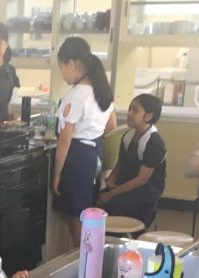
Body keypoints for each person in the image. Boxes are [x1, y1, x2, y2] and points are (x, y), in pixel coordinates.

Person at [52, 37, 116, 247]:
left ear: (72, 63)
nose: (62, 74)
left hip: (77, 158)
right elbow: (111, 126)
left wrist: (57, 174)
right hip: (95, 155)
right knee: (87, 213)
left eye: (62, 68)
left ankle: (84, 259)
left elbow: (65, 140)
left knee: (74, 216)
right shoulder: (102, 91)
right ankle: (86, 257)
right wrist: (92, 131)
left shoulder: (76, 96)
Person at [97, 94, 166, 229]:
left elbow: (142, 179)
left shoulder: (154, 143)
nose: (129, 113)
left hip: (146, 190)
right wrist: (112, 178)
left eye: (135, 110)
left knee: (112, 205)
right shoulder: (128, 136)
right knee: (96, 198)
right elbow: (121, 163)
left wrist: (111, 194)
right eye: (130, 108)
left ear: (148, 116)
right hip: (126, 184)